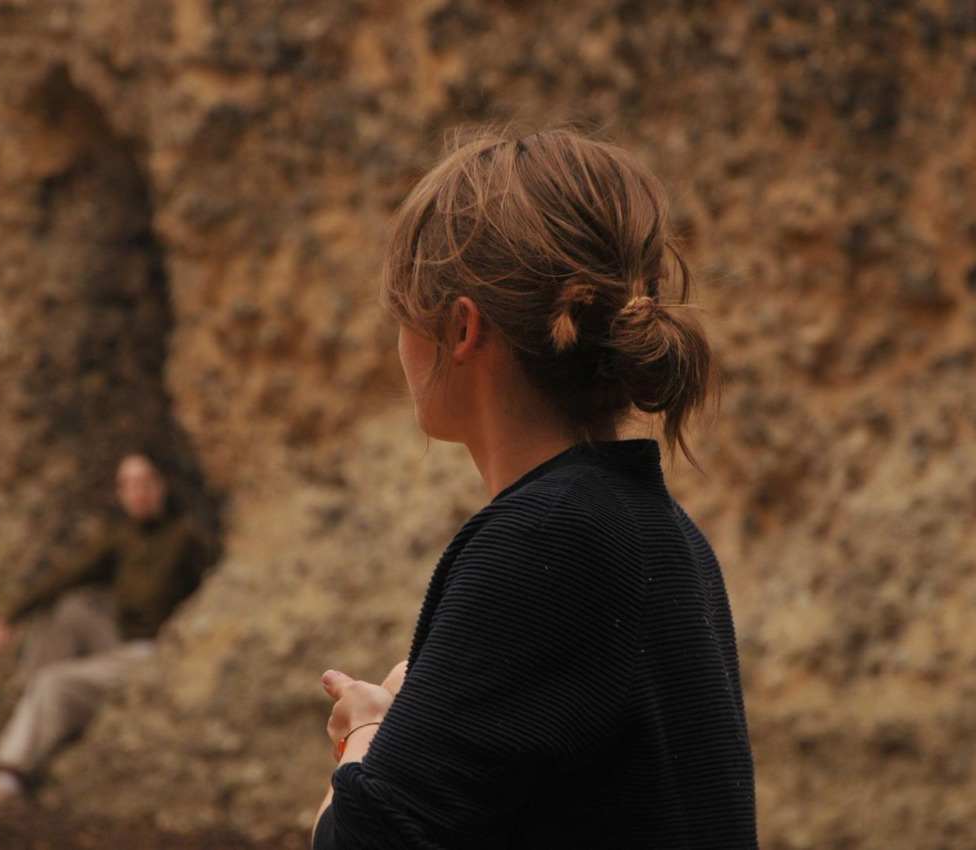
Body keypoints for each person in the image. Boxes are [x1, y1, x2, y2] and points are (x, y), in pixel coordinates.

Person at [313, 129, 758, 849]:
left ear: (461, 328)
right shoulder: (659, 532)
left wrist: (367, 730)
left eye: (400, 316)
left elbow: (359, 841)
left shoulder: (546, 542)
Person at [0, 453, 211, 818]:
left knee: (54, 681)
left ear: (161, 486)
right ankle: (34, 698)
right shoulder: (122, 537)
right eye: (128, 485)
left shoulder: (185, 538)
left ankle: (9, 779)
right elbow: (69, 574)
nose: (138, 492)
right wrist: (11, 616)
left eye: (145, 482)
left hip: (153, 652)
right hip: (119, 644)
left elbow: (213, 595)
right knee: (66, 609)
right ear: (120, 493)